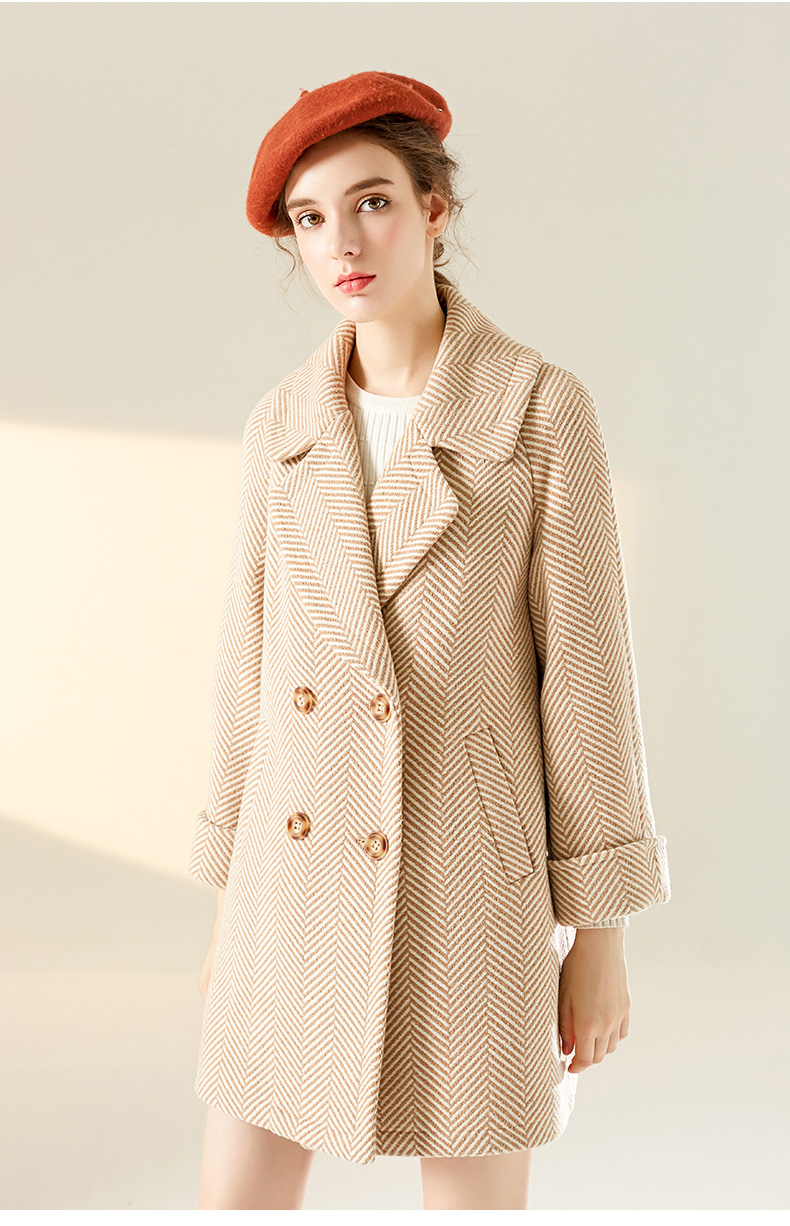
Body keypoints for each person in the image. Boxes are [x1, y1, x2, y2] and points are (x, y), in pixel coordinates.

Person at [188, 71, 671, 1211]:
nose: (343, 243)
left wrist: (599, 932)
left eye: (373, 202)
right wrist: (230, 907)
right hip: (290, 889)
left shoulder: (536, 408)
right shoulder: (281, 426)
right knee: (235, 1201)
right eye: (311, 218)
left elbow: (588, 683)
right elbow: (249, 674)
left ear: (434, 209)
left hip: (467, 883)